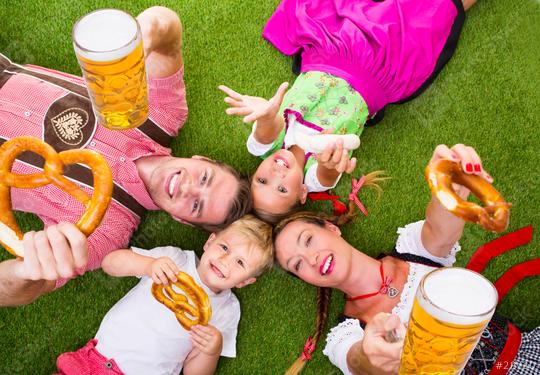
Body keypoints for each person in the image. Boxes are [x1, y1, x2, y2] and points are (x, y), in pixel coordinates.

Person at [0, 6, 252, 307]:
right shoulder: (163, 115)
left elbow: (18, 291)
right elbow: (167, 29)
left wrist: (27, 270)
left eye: (196, 205)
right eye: (205, 178)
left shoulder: (109, 231)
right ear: (202, 159)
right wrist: (137, 41)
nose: (189, 188)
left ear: (180, 219)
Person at [273, 144, 539, 375]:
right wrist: (370, 355)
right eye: (297, 265)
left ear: (331, 228)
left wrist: (449, 189)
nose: (311, 258)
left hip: (527, 352)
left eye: (308, 240)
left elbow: (440, 230)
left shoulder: (412, 249)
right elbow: (357, 361)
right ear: (305, 279)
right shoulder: (346, 336)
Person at [219, 0, 475, 223]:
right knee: (430, 17)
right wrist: (329, 164)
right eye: (282, 189)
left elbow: (265, 132)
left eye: (262, 181)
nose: (276, 174)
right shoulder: (314, 174)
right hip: (379, 72)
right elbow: (328, 174)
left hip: (332, 47)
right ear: (302, 194)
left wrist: (265, 115)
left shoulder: (267, 146)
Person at [55, 214, 273, 375]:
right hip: (94, 361)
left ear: (245, 281)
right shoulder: (175, 259)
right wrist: (149, 265)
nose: (225, 261)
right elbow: (110, 263)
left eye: (240, 263)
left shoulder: (227, 310)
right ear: (209, 242)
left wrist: (211, 351)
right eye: (224, 248)